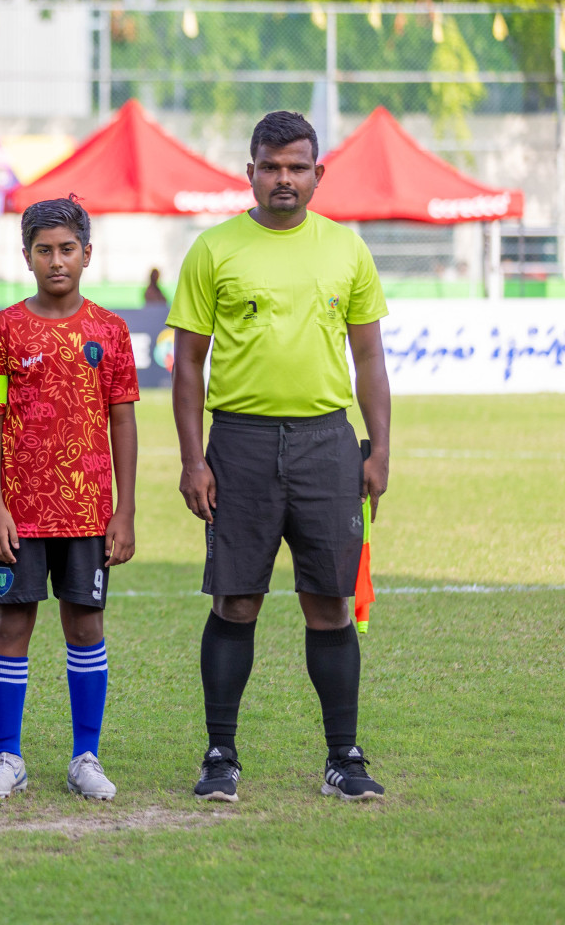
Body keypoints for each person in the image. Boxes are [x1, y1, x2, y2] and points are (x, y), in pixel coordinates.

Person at [167, 110, 391, 802]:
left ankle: (343, 758)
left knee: (328, 604)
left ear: (318, 173)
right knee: (237, 601)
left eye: (297, 167)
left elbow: (370, 356)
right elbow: (186, 367)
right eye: (271, 166)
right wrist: (192, 459)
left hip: (327, 442)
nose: (284, 179)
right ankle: (220, 755)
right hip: (240, 442)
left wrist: (380, 449)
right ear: (251, 172)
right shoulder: (213, 249)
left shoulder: (347, 250)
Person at [0, 197, 138, 801]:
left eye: (67, 248)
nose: (56, 260)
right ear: (26, 257)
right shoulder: (5, 329)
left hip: (89, 511)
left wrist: (125, 508)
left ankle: (84, 756)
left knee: (85, 625)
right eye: (44, 250)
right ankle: (8, 756)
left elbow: (122, 420)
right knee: (12, 623)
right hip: (21, 511)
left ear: (87, 254)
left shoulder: (110, 330)